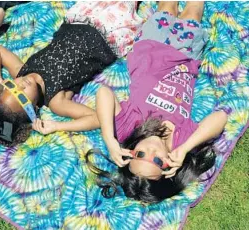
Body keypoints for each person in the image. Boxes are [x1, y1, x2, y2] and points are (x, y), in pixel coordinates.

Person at [84, 1, 229, 203]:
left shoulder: (129, 128)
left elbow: (104, 93)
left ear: (130, 153)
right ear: (168, 167)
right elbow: (221, 117)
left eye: (141, 154)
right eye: (157, 160)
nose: (151, 150)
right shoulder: (181, 141)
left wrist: (109, 139)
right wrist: (187, 147)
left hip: (151, 47)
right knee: (194, 11)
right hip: (185, 55)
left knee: (167, 7)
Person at [0, 2, 144, 147]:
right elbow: (95, 118)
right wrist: (56, 126)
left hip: (82, 18)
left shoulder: (22, 72)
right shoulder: (56, 100)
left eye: (11, 85)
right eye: (21, 96)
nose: (20, 85)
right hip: (107, 35)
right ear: (33, 109)